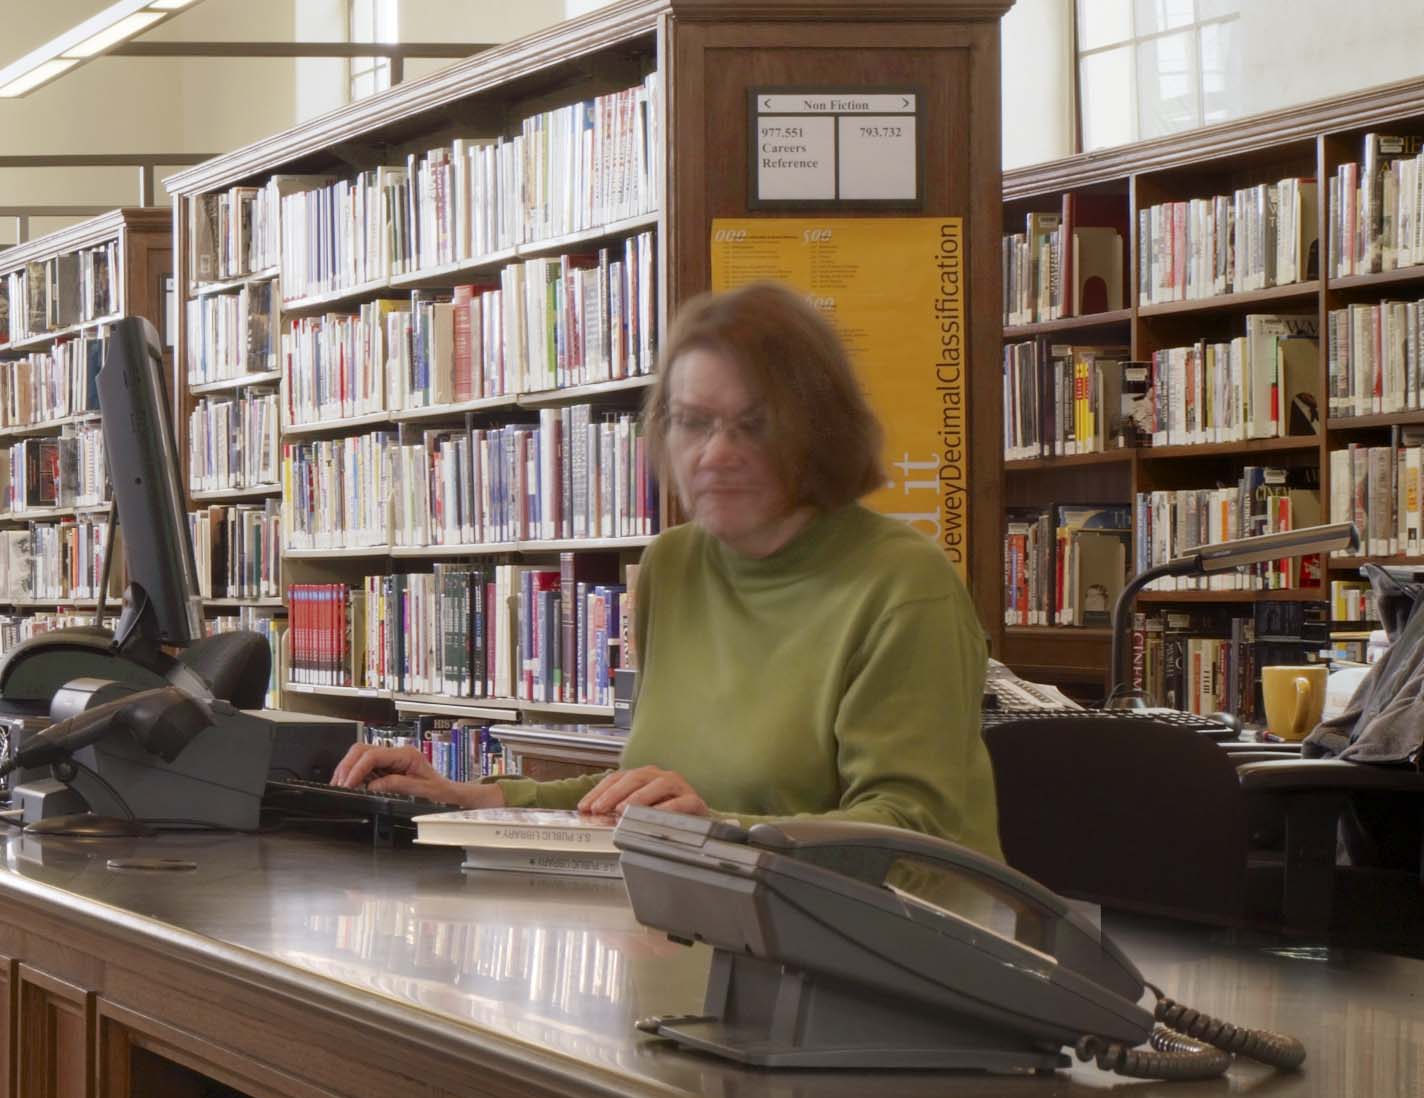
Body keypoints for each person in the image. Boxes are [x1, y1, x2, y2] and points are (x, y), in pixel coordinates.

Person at [333, 279, 997, 851]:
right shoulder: (672, 565)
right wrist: (472, 796)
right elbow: (646, 789)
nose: (714, 454)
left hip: (898, 960)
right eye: (691, 421)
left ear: (818, 431)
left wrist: (715, 833)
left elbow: (914, 835)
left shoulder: (904, 589)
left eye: (754, 424)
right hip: (720, 926)